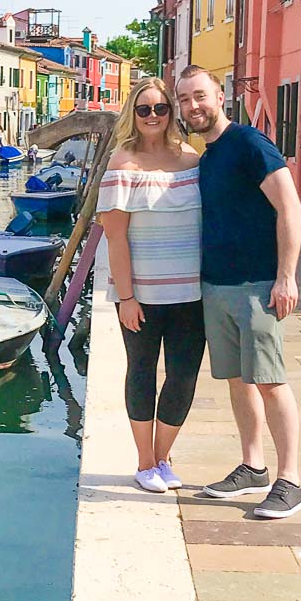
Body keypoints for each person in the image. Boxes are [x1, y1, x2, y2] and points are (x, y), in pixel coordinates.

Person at [176, 65, 301, 519]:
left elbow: (289, 207)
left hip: (257, 286)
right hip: (216, 285)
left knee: (270, 381)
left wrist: (286, 277)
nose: (193, 106)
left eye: (200, 96)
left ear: (220, 96)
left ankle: (291, 480)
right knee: (238, 380)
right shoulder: (208, 157)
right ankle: (253, 467)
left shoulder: (250, 144)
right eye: (185, 99)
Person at [96, 77, 206, 493]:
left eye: (161, 108)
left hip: (190, 293)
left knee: (183, 376)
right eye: (144, 109)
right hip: (140, 294)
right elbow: (115, 237)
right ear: (133, 114)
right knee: (141, 371)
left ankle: (163, 457)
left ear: (171, 112)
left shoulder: (191, 160)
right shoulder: (123, 163)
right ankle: (144, 462)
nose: (153, 116)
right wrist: (126, 297)